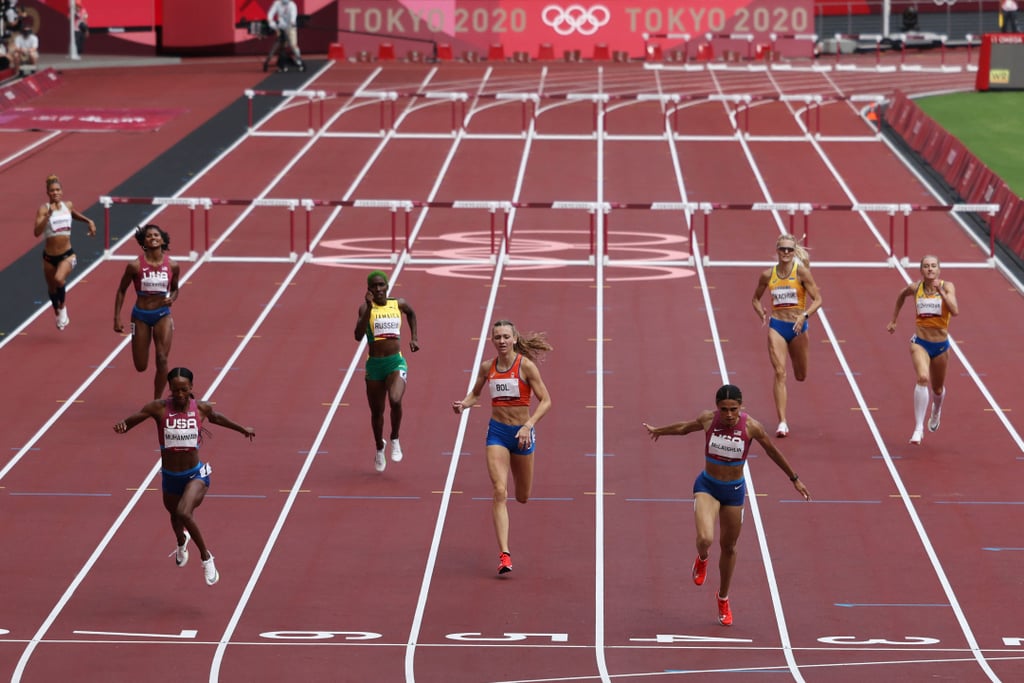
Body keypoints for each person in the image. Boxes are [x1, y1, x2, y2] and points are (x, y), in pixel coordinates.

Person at [642, 384, 811, 627]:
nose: (729, 415)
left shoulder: (752, 427)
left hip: (733, 492)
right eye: (724, 409)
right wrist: (660, 430)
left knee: (729, 547)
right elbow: (683, 428)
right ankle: (702, 558)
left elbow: (772, 452)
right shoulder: (708, 420)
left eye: (733, 409)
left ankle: (723, 598)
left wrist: (794, 479)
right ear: (717, 408)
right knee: (705, 538)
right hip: (708, 487)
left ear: (741, 407)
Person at [113, 367, 255, 586]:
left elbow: (218, 418)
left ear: (191, 388)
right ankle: (181, 541)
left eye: (184, 390)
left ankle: (207, 557)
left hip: (196, 474)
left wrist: (241, 429)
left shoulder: (200, 408)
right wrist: (123, 426)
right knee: (174, 517)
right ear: (170, 389)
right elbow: (132, 421)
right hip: (170, 477)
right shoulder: (158, 409)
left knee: (184, 512)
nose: (179, 395)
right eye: (175, 390)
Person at [452, 320, 553, 575]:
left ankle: (507, 543)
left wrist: (528, 425)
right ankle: (505, 554)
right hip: (496, 433)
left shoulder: (526, 366)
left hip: (522, 435)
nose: (502, 341)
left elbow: (546, 401)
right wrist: (464, 404)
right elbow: (475, 394)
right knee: (499, 490)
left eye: (506, 336)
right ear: (492, 340)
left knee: (522, 496)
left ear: (515, 338)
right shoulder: (488, 367)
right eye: (497, 337)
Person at [750, 233, 822, 438]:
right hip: (777, 327)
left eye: (790, 249)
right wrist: (760, 311)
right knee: (780, 372)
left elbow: (818, 299)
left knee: (800, 375)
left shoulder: (802, 273)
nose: (786, 253)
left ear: (794, 252)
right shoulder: (767, 275)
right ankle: (782, 422)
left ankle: (783, 420)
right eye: (783, 249)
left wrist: (805, 315)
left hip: (798, 328)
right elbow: (755, 298)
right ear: (777, 250)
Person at [886, 255, 959, 445]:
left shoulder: (948, 286)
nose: (930, 269)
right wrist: (894, 320)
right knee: (922, 378)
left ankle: (935, 411)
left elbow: (955, 310)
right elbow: (901, 296)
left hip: (941, 345)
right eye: (926, 266)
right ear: (921, 270)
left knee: (937, 388)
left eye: (933, 266)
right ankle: (918, 428)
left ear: (939, 270)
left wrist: (942, 293)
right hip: (920, 342)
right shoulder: (915, 288)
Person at [353, 270, 419, 472]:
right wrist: (369, 309)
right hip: (374, 365)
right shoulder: (365, 308)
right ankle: (379, 448)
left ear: (387, 286)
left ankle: (395, 438)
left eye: (382, 285)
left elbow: (411, 313)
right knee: (377, 412)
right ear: (369, 289)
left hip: (395, 363)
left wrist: (414, 337)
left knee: (396, 400)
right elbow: (357, 335)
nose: (379, 289)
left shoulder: (398, 303)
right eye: (374, 286)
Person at [113, 225, 181, 399]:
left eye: (156, 235)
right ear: (143, 242)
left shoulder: (172, 265)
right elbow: (121, 290)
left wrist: (171, 299)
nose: (153, 237)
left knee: (162, 358)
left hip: (162, 315)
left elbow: (175, 289)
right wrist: (117, 318)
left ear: (163, 240)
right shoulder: (135, 266)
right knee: (141, 365)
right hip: (141, 316)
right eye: (149, 235)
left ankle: (157, 400)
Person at [33, 174, 96, 330]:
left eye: (58, 190)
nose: (55, 193)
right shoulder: (43, 209)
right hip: (48, 257)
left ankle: (63, 307)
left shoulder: (67, 205)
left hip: (67, 254)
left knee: (59, 279)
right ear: (48, 193)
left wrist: (89, 221)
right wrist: (46, 218)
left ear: (62, 191)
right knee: (52, 289)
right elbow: (36, 232)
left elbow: (73, 213)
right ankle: (57, 311)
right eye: (52, 190)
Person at [264, 0, 305, 72]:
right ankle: (281, 64)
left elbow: (293, 16)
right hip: (281, 28)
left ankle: (299, 60)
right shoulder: (277, 3)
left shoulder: (292, 5)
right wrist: (270, 21)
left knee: (293, 45)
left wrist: (292, 22)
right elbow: (270, 13)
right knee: (280, 46)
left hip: (290, 27)